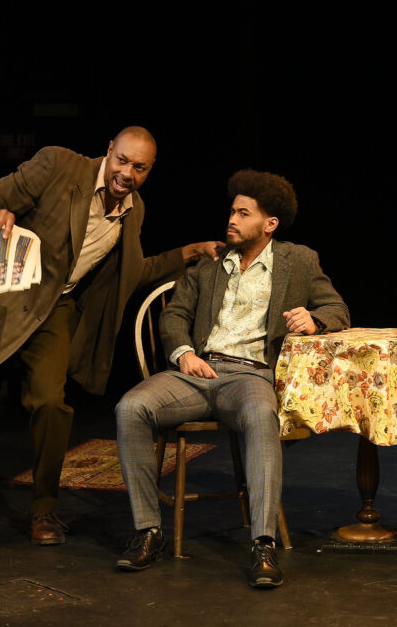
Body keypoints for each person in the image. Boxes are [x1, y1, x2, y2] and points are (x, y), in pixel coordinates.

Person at [0, 126, 222, 557]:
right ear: (108, 151)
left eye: (139, 167)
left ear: (149, 171)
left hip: (54, 310)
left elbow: (132, 273)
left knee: (51, 404)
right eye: (123, 160)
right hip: (1, 300)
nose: (127, 173)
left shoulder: (134, 212)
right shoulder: (59, 165)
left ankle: (43, 510)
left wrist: (188, 252)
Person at [114, 169, 349, 588]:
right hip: (198, 371)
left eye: (244, 213)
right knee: (130, 407)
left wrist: (313, 318)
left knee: (262, 417)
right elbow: (174, 315)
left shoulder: (298, 260)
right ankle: (148, 531)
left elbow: (337, 309)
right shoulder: (210, 265)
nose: (232, 219)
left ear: (269, 224)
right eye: (232, 211)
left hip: (250, 376)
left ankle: (262, 543)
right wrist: (184, 353)